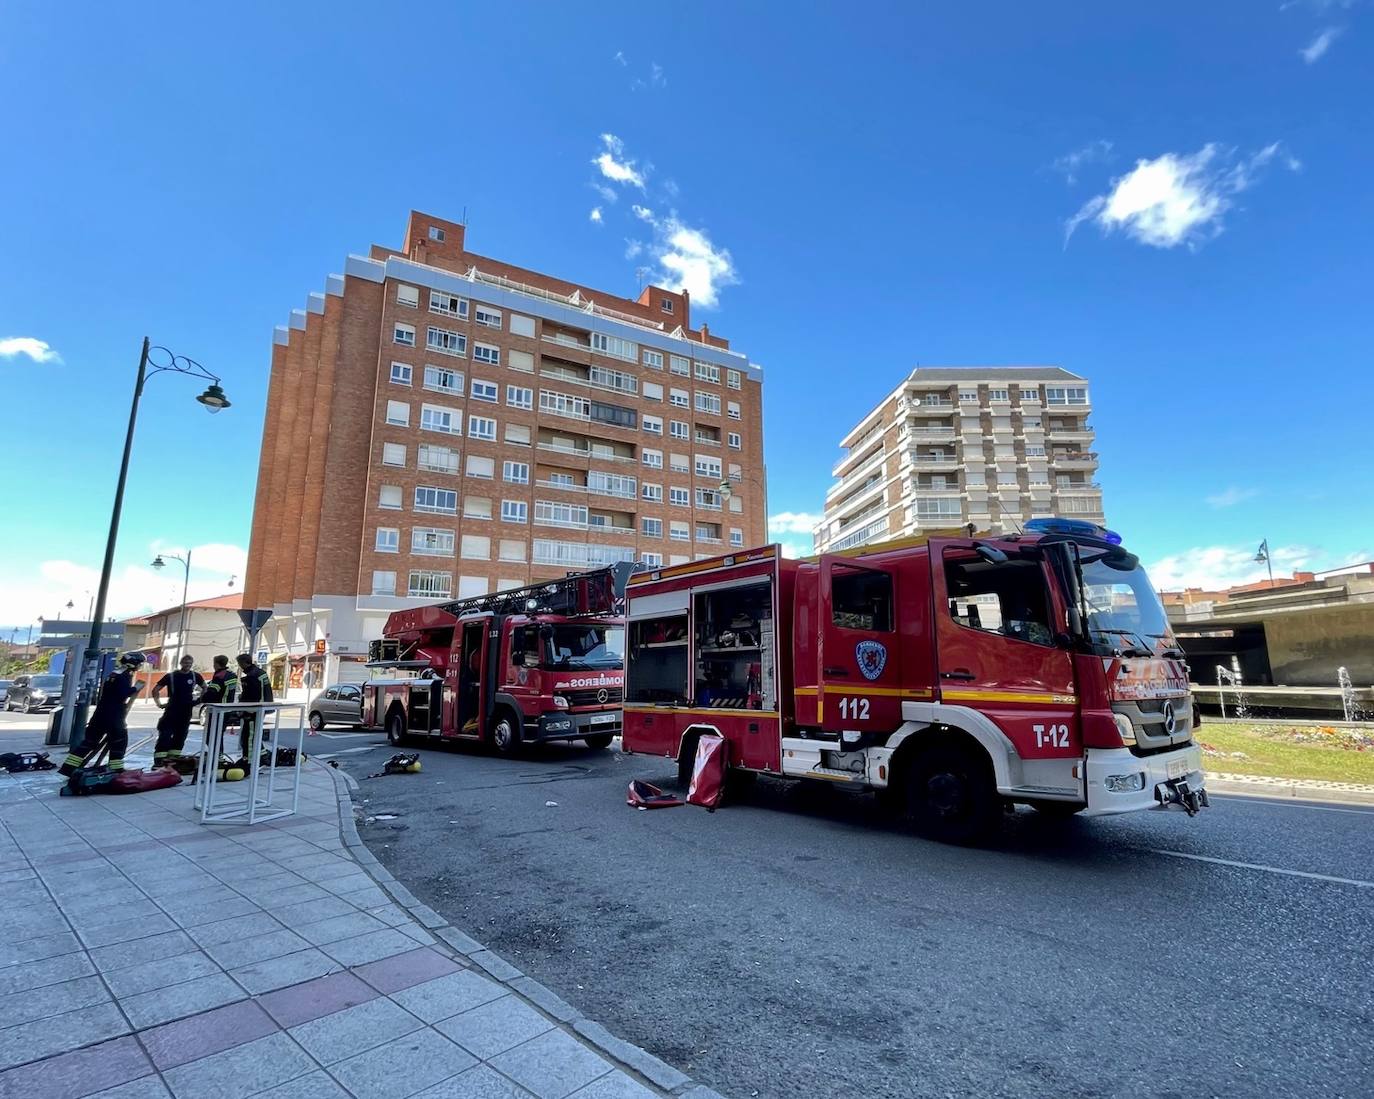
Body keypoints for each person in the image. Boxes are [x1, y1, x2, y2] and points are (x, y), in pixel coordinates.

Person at [59, 652, 146, 776]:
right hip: (113, 715)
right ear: (134, 663)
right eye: (139, 664)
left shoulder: (114, 674)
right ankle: (116, 768)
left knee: (89, 742)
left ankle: (68, 767)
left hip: (100, 713)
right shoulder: (124, 676)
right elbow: (122, 694)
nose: (140, 666)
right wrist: (135, 688)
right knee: (119, 740)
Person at [151, 654, 205, 768]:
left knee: (180, 736)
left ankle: (173, 760)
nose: (188, 665)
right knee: (165, 735)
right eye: (186, 663)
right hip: (172, 710)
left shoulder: (196, 676)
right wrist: (159, 703)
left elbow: (205, 687)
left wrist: (200, 699)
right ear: (181, 663)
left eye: (190, 663)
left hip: (186, 711)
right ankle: (159, 760)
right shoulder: (171, 676)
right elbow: (155, 690)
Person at [235, 653, 273, 765]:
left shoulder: (251, 676)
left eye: (239, 664)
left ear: (243, 663)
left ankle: (249, 761)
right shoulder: (261, 673)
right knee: (255, 734)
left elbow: (251, 695)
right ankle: (262, 756)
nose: (240, 666)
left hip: (253, 710)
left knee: (249, 736)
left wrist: (242, 702)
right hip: (262, 708)